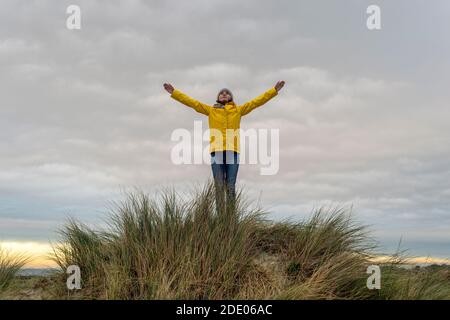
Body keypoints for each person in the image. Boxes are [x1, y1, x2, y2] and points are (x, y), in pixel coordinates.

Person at [163, 80, 285, 209]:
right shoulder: (211, 110)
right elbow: (192, 103)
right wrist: (174, 92)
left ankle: (231, 219)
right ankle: (221, 219)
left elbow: (256, 102)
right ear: (218, 98)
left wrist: (274, 90)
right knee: (219, 187)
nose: (224, 94)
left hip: (233, 152)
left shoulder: (238, 110)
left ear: (231, 97)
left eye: (227, 93)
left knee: (231, 186)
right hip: (217, 152)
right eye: (222, 93)